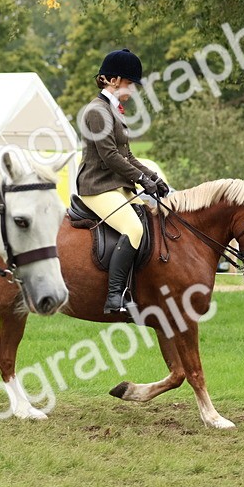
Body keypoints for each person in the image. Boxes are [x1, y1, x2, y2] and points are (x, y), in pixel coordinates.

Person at [75, 48, 170, 313]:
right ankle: (114, 297)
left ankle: (136, 289)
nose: (132, 90)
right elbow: (109, 156)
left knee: (149, 219)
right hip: (97, 186)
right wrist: (141, 179)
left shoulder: (114, 111)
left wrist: (153, 178)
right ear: (113, 80)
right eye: (130, 83)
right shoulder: (97, 111)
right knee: (134, 228)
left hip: (116, 186)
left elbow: (127, 155)